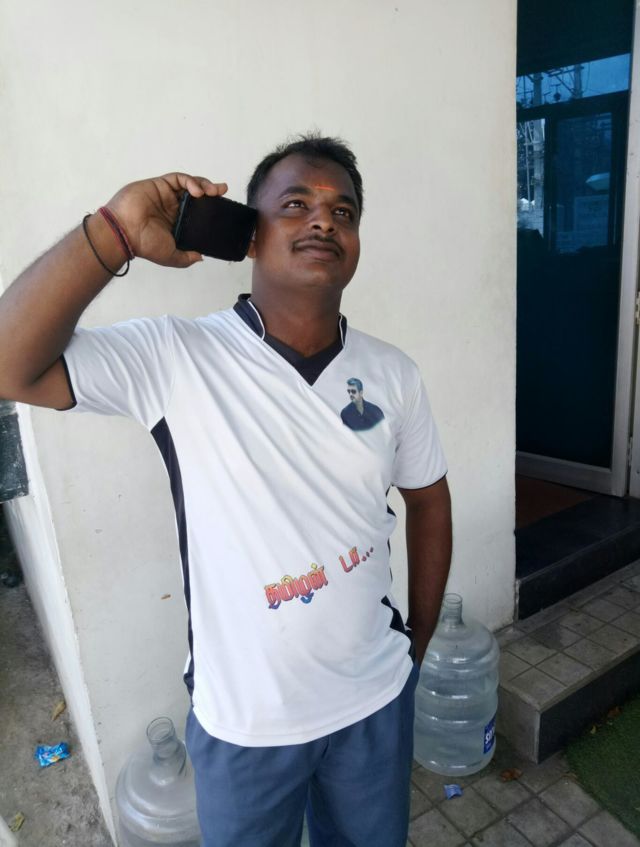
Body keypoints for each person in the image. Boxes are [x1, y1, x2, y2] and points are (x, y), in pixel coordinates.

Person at [0, 134, 452, 847]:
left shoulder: (394, 374)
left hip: (374, 702)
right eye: (295, 204)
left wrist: (413, 648)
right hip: (246, 725)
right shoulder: (175, 356)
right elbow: (10, 365)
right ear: (250, 233)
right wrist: (115, 231)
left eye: (343, 211)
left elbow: (429, 500)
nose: (323, 220)